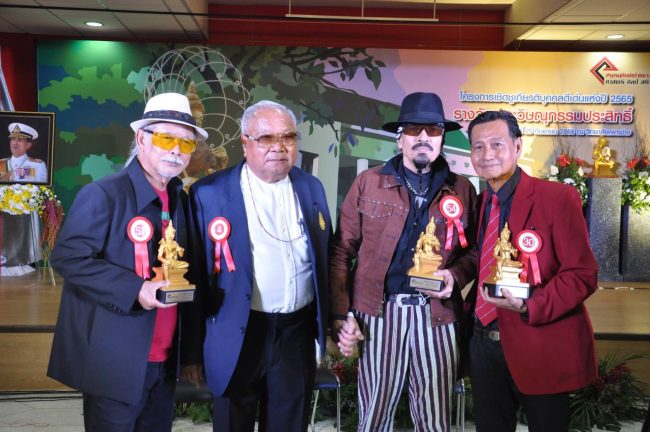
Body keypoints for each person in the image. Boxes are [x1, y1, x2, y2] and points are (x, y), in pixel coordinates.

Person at [47, 92, 207, 432]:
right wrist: (136, 289)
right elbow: (68, 256)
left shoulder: (180, 198)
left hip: (165, 358)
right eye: (166, 138)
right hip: (116, 359)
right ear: (141, 139)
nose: (177, 150)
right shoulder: (104, 193)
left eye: (186, 142)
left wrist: (190, 352)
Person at [330, 92, 479, 431]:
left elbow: (476, 251)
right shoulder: (368, 183)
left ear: (442, 138)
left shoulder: (462, 189)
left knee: (434, 418)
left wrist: (455, 276)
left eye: (433, 130)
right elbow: (341, 252)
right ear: (399, 138)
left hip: (437, 314)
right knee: (374, 415)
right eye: (413, 129)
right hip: (379, 313)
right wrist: (343, 313)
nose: (423, 137)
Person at [182, 100, 332, 432]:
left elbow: (325, 260)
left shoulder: (312, 188)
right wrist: (190, 351)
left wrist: (331, 324)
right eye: (266, 138)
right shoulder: (208, 194)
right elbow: (193, 279)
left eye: (288, 137)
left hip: (295, 333)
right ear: (245, 143)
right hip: (238, 331)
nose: (279, 147)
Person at [467, 110, 598, 432]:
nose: (486, 154)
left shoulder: (557, 197)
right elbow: (476, 259)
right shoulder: (480, 203)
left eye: (496, 144)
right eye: (478, 147)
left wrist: (529, 305)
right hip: (483, 344)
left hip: (539, 342)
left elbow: (582, 274)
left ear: (517, 146)